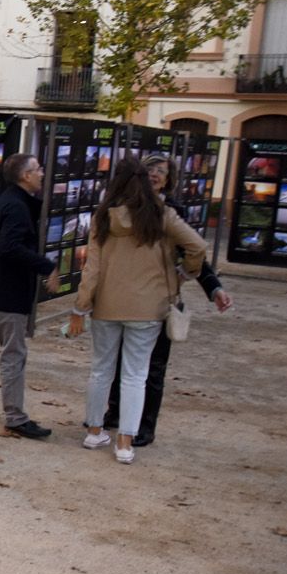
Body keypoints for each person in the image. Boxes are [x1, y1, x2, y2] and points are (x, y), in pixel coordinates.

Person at [69, 156, 207, 464]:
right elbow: (198, 246)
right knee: (136, 375)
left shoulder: (103, 216)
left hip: (106, 305)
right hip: (149, 308)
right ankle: (125, 444)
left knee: (101, 369)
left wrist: (80, 306)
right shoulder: (163, 215)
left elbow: (92, 268)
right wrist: (186, 272)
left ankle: (94, 432)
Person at [98, 154, 232, 447]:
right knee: (122, 361)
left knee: (152, 367)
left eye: (162, 171)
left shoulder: (170, 211)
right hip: (124, 296)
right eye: (150, 169)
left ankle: (144, 426)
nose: (155, 174)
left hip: (158, 299)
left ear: (170, 180)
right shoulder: (120, 207)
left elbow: (195, 251)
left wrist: (210, 286)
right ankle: (116, 412)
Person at [0, 152, 60, 439]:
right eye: (38, 169)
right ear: (25, 176)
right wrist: (46, 265)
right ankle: (15, 417)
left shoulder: (4, 202)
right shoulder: (16, 206)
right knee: (13, 355)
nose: (42, 173)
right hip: (9, 293)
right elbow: (8, 247)